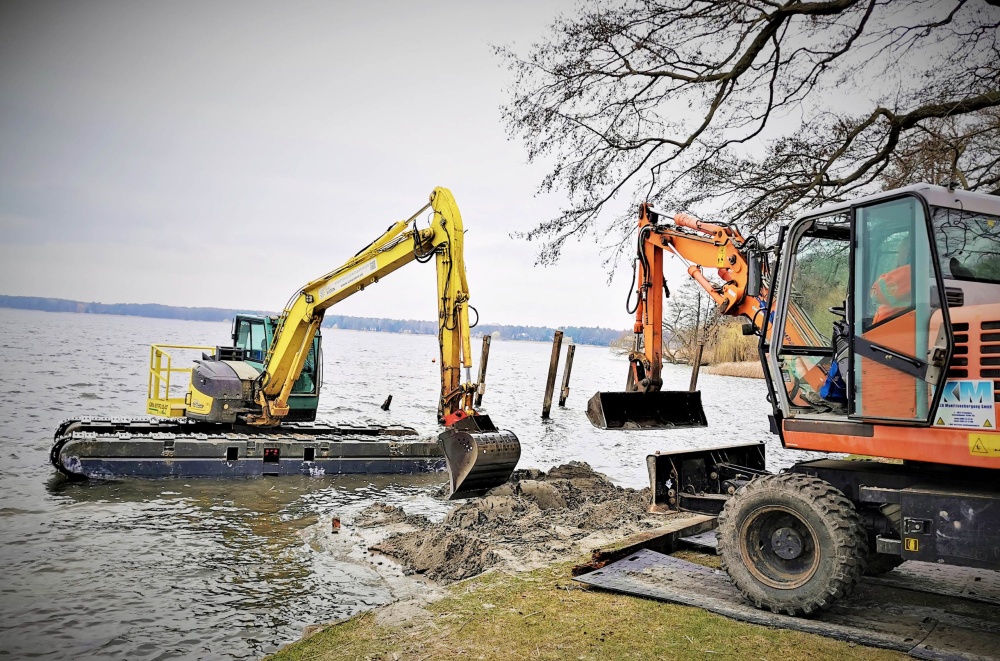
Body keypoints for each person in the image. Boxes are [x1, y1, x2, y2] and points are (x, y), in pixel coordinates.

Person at [871, 240, 911, 324]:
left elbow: (877, 292)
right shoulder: (925, 273)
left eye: (900, 252)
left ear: (907, 252)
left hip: (890, 328)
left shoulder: (909, 272)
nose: (898, 256)